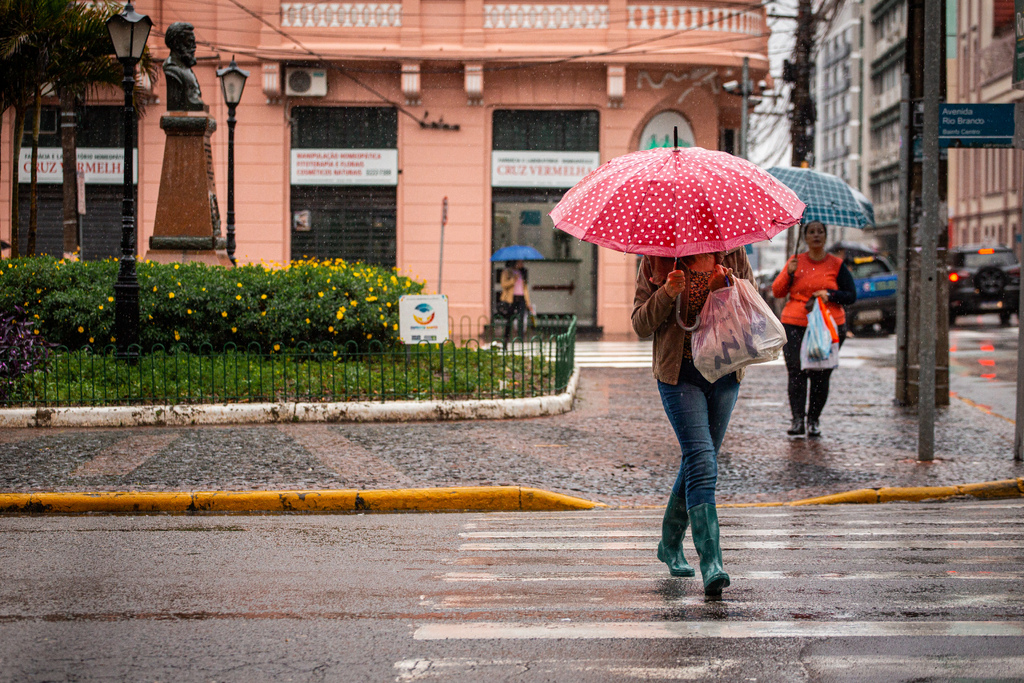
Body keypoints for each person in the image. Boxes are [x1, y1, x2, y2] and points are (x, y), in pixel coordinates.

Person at [632, 247, 754, 597]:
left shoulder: (733, 252)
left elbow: (753, 301)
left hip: (726, 369)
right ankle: (712, 561)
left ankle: (669, 544)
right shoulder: (657, 258)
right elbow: (640, 323)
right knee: (702, 459)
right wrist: (667, 292)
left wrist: (725, 286)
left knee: (699, 460)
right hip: (680, 375)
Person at [771, 221, 857, 438]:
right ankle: (797, 420)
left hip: (828, 327)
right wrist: (789, 274)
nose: (816, 235)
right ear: (805, 237)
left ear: (826, 237)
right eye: (811, 232)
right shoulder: (795, 261)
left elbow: (851, 295)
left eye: (820, 232)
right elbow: (778, 291)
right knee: (797, 373)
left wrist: (831, 294)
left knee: (821, 375)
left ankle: (814, 420)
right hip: (795, 325)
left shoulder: (836, 265)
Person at [499, 260, 534, 344]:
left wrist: (528, 302)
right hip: (511, 299)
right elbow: (504, 284)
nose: (521, 264)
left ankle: (521, 338)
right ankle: (506, 338)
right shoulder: (507, 272)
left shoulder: (522, 273)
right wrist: (513, 280)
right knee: (509, 319)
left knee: (521, 318)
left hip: (521, 298)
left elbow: (525, 289)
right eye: (519, 262)